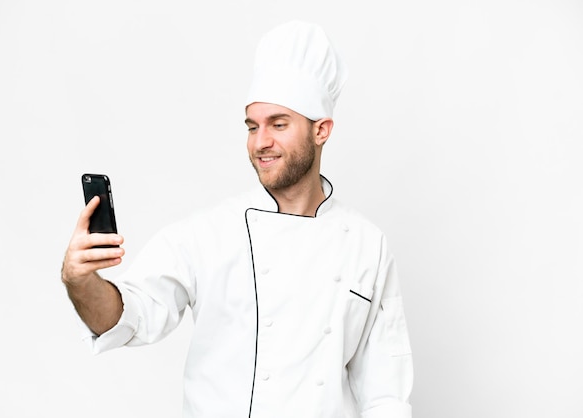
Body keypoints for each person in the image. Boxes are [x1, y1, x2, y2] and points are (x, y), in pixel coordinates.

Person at [62, 20, 413, 417]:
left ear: (322, 130)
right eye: (252, 126)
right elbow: (129, 317)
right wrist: (81, 281)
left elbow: (386, 391)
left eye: (278, 125)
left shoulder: (365, 244)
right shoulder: (208, 235)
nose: (261, 141)